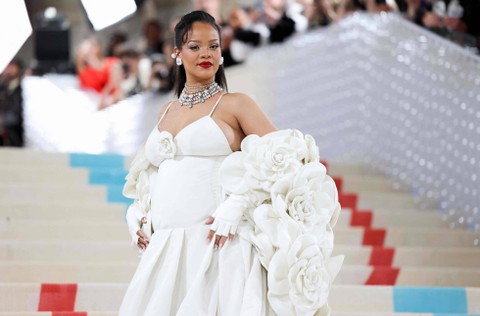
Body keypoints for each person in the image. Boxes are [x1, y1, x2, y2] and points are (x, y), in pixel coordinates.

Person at [119, 10, 342, 316]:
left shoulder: (236, 104)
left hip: (220, 243)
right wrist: (139, 212)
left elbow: (289, 155)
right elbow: (155, 172)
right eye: (194, 46)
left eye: (213, 45)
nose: (206, 53)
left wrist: (239, 202)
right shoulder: (165, 111)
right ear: (177, 53)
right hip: (169, 247)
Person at [75, 37, 124, 110]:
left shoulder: (112, 63)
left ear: (97, 47)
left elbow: (118, 85)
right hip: (100, 106)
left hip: (118, 101)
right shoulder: (85, 74)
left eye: (90, 46)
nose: (87, 49)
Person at [0, 59, 24, 147]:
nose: (8, 69)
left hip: (15, 132)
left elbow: (17, 112)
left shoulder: (23, 88)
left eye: (11, 66)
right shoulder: (3, 87)